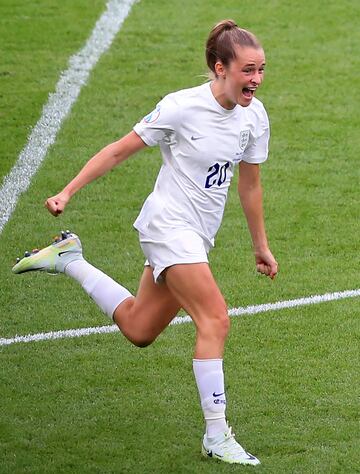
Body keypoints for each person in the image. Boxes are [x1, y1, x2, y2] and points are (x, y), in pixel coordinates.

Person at [13, 19, 278, 466]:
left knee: (140, 328)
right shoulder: (181, 108)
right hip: (167, 227)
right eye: (247, 70)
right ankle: (217, 434)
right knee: (215, 319)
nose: (255, 79)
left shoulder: (255, 117)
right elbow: (120, 149)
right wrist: (68, 191)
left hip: (197, 236)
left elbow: (249, 186)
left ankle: (69, 258)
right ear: (220, 68)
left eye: (261, 70)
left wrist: (260, 245)